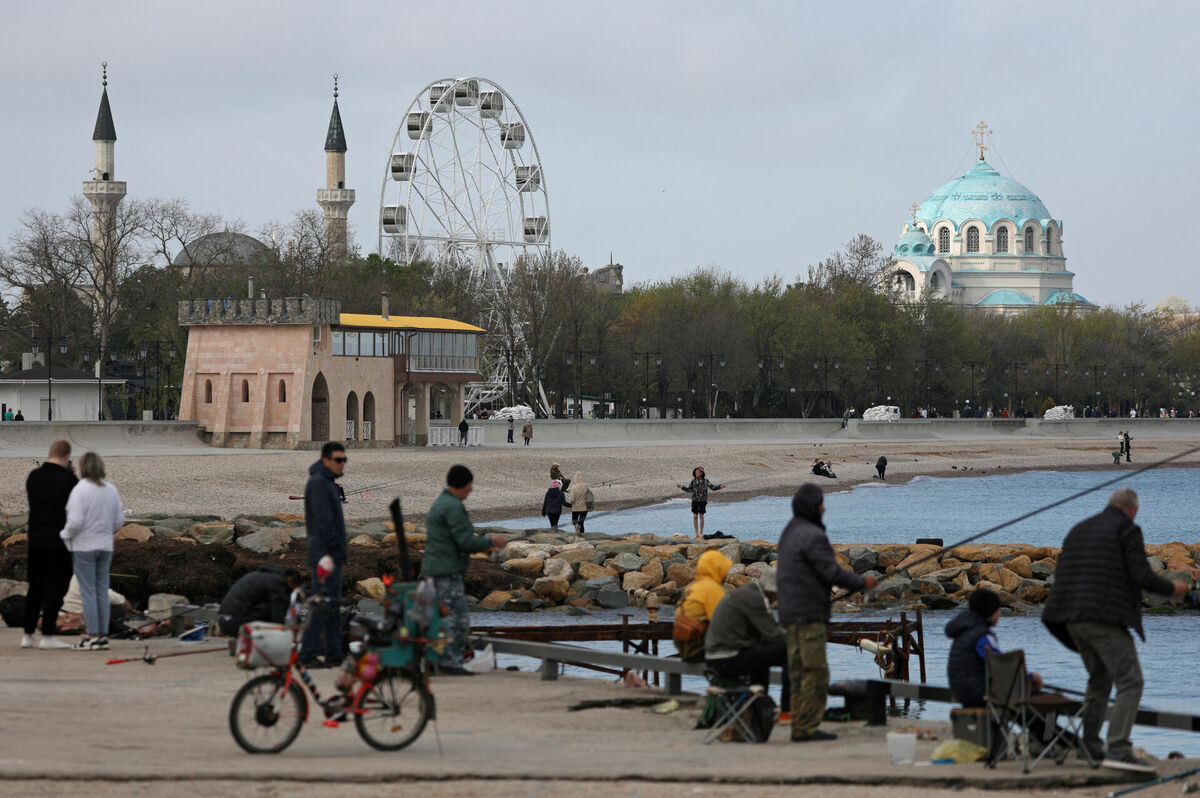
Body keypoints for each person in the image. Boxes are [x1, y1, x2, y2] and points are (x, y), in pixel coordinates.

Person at [1042, 488, 1189, 774]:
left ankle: (1090, 745)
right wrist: (1174, 588)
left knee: (1100, 679)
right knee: (1131, 682)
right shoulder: (1127, 529)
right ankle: (1119, 749)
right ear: (1132, 510)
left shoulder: (1080, 528)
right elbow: (1142, 576)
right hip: (1103, 618)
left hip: (1069, 618)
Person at [777, 483, 878, 742]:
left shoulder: (790, 531)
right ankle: (807, 728)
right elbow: (831, 573)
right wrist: (861, 582)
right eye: (821, 503)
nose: (824, 508)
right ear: (812, 507)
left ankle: (800, 724)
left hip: (789, 614)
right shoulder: (812, 534)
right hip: (808, 615)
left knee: (798, 672)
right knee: (815, 672)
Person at [420, 465, 507, 674]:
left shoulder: (442, 503)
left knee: (441, 619)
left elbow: (453, 540)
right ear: (463, 485)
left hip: (436, 569)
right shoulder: (452, 506)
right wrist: (491, 540)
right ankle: (450, 662)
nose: (471, 489)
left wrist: (483, 548)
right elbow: (464, 541)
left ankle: (440, 660)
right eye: (470, 485)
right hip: (445, 572)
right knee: (456, 620)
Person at [59, 452, 125, 651]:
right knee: (101, 590)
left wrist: (65, 534)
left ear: (83, 468)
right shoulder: (110, 489)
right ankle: (102, 635)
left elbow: (75, 521)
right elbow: (119, 520)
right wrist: (106, 530)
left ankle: (91, 634)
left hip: (84, 546)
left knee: (88, 592)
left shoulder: (80, 490)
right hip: (105, 546)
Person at [705, 569, 790, 719]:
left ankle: (758, 705)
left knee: (762, 655)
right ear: (772, 590)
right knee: (789, 651)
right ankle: (787, 709)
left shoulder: (748, 593)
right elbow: (775, 636)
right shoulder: (755, 599)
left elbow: (765, 633)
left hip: (717, 656)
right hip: (726, 659)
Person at [21, 440, 78, 650]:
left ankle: (27, 634)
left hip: (35, 538)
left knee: (35, 586)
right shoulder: (69, 480)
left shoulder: (34, 477)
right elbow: (74, 509)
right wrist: (73, 475)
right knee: (56, 587)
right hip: (58, 539)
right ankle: (47, 634)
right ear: (66, 456)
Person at [299, 442, 348, 668]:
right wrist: (328, 553)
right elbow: (322, 520)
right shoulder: (318, 483)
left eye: (344, 460)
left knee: (332, 606)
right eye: (338, 460)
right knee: (320, 605)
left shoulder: (327, 482)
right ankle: (308, 654)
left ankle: (333, 652)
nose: (342, 464)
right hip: (324, 555)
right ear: (326, 460)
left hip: (331, 554)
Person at [673, 550, 732, 662]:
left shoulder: (693, 585)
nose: (726, 574)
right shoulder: (711, 588)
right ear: (718, 570)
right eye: (724, 570)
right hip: (698, 650)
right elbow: (722, 623)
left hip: (684, 649)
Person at [218, 564, 302, 636]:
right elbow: (277, 609)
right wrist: (281, 632)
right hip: (234, 624)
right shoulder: (277, 581)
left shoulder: (260, 576)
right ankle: (264, 639)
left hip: (224, 621)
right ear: (289, 580)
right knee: (268, 609)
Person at [677, 467, 725, 539]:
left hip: (703, 501)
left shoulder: (706, 481)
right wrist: (682, 487)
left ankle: (701, 533)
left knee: (701, 516)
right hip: (695, 500)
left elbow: (713, 488)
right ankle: (696, 533)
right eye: (696, 472)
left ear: (702, 473)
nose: (696, 473)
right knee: (695, 516)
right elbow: (689, 490)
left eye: (698, 472)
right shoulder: (693, 481)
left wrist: (720, 487)